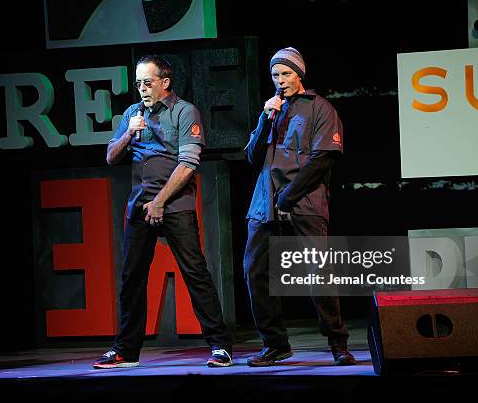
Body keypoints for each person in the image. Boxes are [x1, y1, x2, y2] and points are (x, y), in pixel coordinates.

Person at [93, 55, 233, 369]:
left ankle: (220, 346)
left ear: (164, 83)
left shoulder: (184, 112)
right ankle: (126, 351)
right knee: (132, 279)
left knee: (195, 274)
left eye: (148, 82)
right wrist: (129, 133)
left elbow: (188, 164)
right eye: (139, 83)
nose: (142, 88)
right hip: (139, 206)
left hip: (175, 206)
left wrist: (160, 202)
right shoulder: (132, 113)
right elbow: (111, 157)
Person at [243, 47, 356, 366]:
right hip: (264, 201)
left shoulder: (320, 108)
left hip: (303, 200)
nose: (280, 81)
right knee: (255, 270)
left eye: (286, 74)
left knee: (319, 272)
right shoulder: (272, 110)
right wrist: (265, 119)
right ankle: (275, 343)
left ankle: (337, 341)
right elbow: (251, 156)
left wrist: (287, 196)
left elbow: (322, 159)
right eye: (275, 75)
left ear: (300, 74)